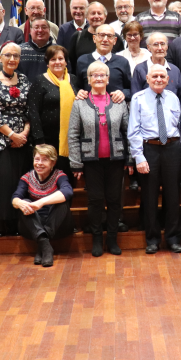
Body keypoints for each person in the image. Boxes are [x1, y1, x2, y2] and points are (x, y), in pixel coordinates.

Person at [68, 62, 129, 257]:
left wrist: (129, 159)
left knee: (114, 200)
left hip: (116, 160)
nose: (99, 78)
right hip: (91, 161)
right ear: (89, 79)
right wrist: (76, 163)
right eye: (94, 75)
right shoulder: (79, 103)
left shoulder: (118, 101)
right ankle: (96, 238)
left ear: (108, 79)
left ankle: (112, 239)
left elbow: (128, 132)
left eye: (103, 75)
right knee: (95, 200)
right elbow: (73, 134)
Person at [128, 64, 181, 253]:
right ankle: (152, 239)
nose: (159, 79)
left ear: (168, 79)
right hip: (149, 149)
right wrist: (138, 157)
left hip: (173, 148)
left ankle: (173, 238)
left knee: (173, 196)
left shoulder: (174, 98)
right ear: (147, 78)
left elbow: (180, 127)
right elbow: (133, 130)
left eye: (162, 76)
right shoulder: (138, 98)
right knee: (150, 196)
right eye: (155, 76)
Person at [0, 42, 36, 236]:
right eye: (8, 55)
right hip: (0, 140)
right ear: (0, 58)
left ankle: (17, 220)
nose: (12, 59)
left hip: (23, 140)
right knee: (2, 182)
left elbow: (30, 109)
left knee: (19, 181)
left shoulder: (24, 80)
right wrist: (12, 135)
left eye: (16, 56)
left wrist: (24, 134)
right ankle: (1, 222)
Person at [13, 145, 74, 267]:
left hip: (58, 226)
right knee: (24, 203)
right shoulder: (27, 177)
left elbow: (68, 191)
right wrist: (19, 203)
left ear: (53, 163)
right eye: (37, 159)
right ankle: (45, 245)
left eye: (45, 160)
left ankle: (42, 245)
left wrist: (41, 202)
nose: (39, 163)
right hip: (33, 226)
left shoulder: (59, 175)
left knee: (62, 202)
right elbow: (15, 198)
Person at [28, 45, 75, 178]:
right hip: (47, 141)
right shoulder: (39, 81)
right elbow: (33, 111)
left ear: (66, 62)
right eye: (53, 59)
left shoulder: (74, 80)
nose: (57, 62)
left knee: (67, 177)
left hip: (70, 140)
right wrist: (39, 140)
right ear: (47, 63)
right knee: (48, 178)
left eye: (60, 58)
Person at [73, 23, 131, 99]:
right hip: (89, 105)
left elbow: (130, 89)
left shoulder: (122, 62)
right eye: (101, 35)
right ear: (94, 38)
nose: (105, 40)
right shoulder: (82, 61)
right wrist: (79, 92)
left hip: (115, 105)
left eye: (109, 36)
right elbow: (77, 87)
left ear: (115, 41)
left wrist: (123, 93)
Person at [132, 32, 181, 98]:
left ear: (167, 46)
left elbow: (180, 97)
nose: (160, 48)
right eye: (156, 44)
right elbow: (135, 97)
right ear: (148, 47)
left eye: (162, 44)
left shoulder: (175, 70)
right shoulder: (140, 69)